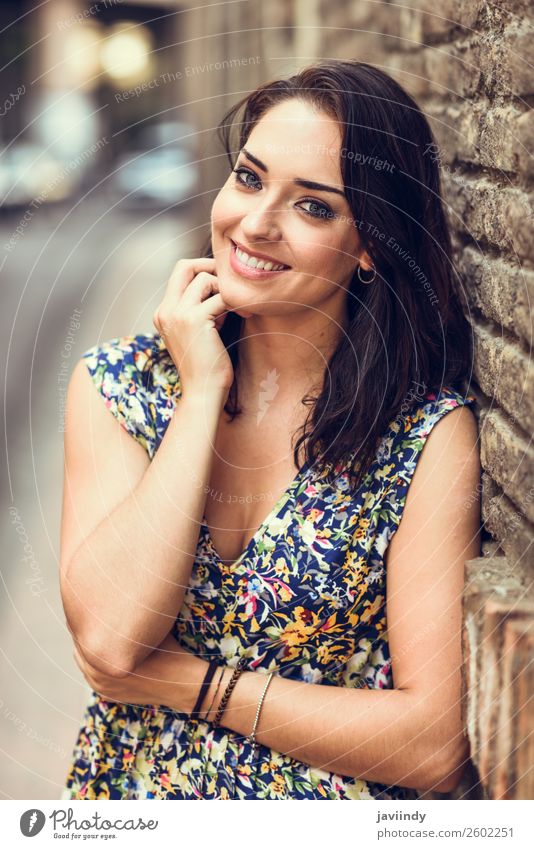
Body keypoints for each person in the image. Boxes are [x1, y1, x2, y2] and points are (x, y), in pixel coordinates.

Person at [60, 60, 481, 800]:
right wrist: (201, 394)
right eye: (250, 179)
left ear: (372, 244)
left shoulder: (423, 438)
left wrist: (193, 684)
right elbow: (110, 637)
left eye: (313, 208)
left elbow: (433, 744)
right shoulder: (119, 386)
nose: (255, 224)